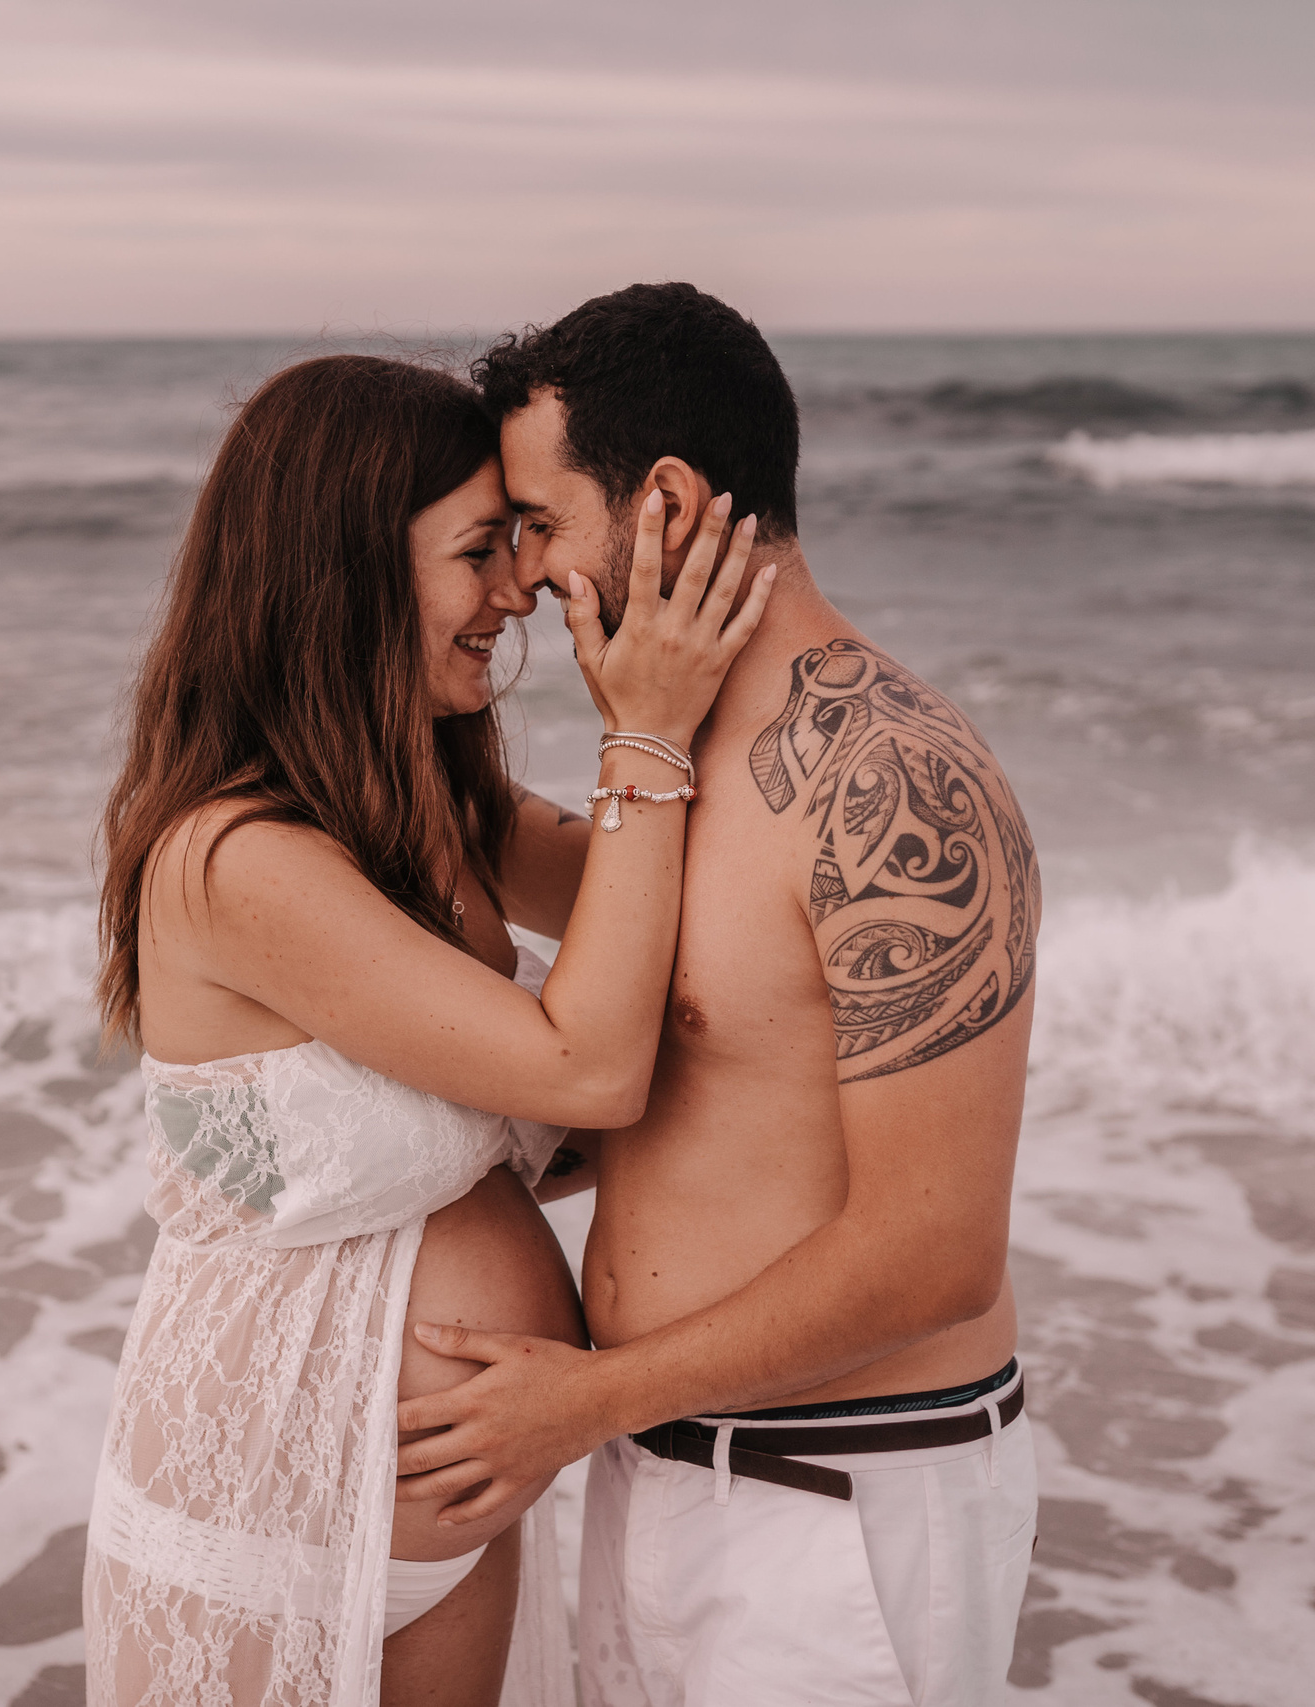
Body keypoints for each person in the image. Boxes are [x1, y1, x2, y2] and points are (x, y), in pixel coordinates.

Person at [82, 352, 776, 1707]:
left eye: (523, 540)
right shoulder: (236, 862)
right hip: (263, 1506)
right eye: (479, 551)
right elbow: (592, 1063)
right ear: (345, 574)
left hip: (444, 1502)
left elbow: (689, 910)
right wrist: (645, 736)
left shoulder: (439, 808)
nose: (517, 589)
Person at [394, 284, 1044, 1706]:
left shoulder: (890, 782)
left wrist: (583, 1402)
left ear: (671, 505)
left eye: (544, 531)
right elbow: (435, 824)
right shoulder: (667, 772)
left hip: (836, 1506)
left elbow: (938, 1250)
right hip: (658, 1471)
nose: (526, 583)